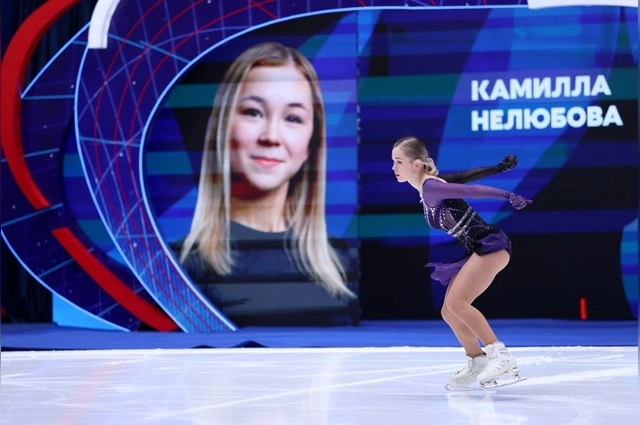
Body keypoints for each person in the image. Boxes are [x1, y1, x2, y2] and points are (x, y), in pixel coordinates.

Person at [174, 42, 359, 325]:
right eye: (253, 112)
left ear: (310, 144)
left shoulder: (343, 262)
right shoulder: (177, 267)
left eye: (293, 118)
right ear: (224, 126)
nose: (271, 136)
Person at [391, 135, 532, 390]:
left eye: (398, 161)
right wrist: (497, 168)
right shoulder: (430, 186)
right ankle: (477, 359)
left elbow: (469, 191)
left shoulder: (431, 186)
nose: (394, 167)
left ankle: (501, 355)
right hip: (477, 249)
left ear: (416, 164)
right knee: (448, 310)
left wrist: (507, 195)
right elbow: (466, 177)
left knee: (458, 303)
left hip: (491, 245)